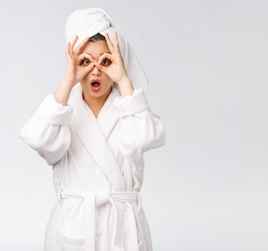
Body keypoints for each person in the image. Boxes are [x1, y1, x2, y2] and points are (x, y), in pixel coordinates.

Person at [18, 8, 166, 251]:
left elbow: (144, 137)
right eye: (85, 61)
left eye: (106, 61)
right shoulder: (63, 112)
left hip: (124, 233)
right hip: (73, 231)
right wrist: (68, 80)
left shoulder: (129, 109)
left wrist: (125, 81)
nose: (95, 70)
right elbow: (37, 138)